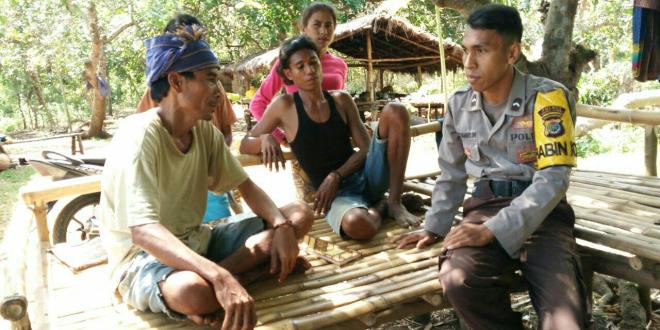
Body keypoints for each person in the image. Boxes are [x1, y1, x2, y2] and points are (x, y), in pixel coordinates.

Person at [99, 21, 314, 329]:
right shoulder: (139, 135)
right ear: (176, 82)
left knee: (299, 214)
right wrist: (218, 275)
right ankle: (235, 278)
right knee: (192, 291)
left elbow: (247, 187)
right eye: (211, 80)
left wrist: (280, 225)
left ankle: (225, 281)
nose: (219, 92)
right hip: (142, 259)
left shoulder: (204, 132)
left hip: (199, 241)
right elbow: (143, 232)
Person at [393, 5, 589, 330]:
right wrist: (434, 226)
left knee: (566, 320)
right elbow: (452, 175)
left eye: (481, 50)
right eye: (466, 50)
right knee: (460, 279)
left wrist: (492, 231)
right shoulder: (458, 105)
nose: (468, 63)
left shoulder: (547, 98)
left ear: (512, 52)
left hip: (543, 216)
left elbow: (553, 180)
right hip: (484, 207)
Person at [240, 36, 420, 240]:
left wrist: (336, 175)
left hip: (369, 175)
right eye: (300, 66)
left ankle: (395, 201)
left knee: (396, 110)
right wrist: (265, 137)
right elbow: (245, 144)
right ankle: (383, 206)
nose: (310, 70)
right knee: (358, 226)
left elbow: (366, 149)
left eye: (313, 62)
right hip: (337, 196)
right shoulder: (285, 106)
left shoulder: (341, 99)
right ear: (289, 74)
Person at [136, 14, 237, 222]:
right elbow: (144, 230)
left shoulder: (207, 126)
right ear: (176, 81)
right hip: (170, 195)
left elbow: (226, 134)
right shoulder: (144, 128)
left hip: (209, 181)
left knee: (218, 228)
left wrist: (211, 162)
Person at [249, 2, 347, 143]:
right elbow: (257, 103)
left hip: (335, 142)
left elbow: (339, 106)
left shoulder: (340, 65)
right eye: (317, 24)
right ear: (304, 29)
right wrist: (281, 137)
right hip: (304, 148)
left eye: (328, 25)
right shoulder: (289, 63)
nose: (323, 31)